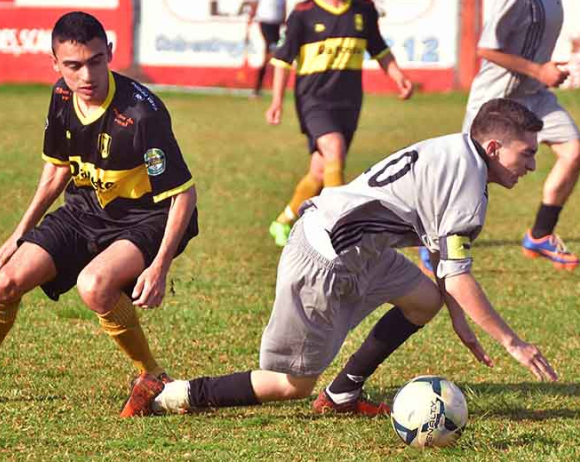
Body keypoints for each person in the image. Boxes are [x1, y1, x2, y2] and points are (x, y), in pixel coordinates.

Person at [122, 98, 557, 418]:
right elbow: (459, 277)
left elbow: (440, 254)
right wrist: (513, 343)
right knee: (290, 384)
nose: (533, 165)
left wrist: (458, 319)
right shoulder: (468, 184)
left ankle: (343, 394)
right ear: (494, 147)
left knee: (424, 300)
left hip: (359, 248)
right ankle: (168, 394)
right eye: (528, 153)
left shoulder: (456, 150)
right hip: (326, 258)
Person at [0, 11, 199, 417]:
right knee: (6, 280)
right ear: (55, 64)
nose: (87, 75)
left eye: (96, 61)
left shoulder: (142, 114)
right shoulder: (62, 97)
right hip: (86, 209)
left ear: (110, 53)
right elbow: (56, 171)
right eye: (73, 65)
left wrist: (160, 266)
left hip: (146, 217)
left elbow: (183, 195)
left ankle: (154, 377)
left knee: (94, 285)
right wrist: (20, 234)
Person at [266, 0, 413, 247]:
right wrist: (277, 100)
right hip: (314, 100)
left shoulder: (363, 9)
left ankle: (282, 221)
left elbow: (379, 49)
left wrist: (398, 76)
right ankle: (339, 228)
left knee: (320, 169)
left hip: (349, 102)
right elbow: (282, 60)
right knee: (334, 150)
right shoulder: (303, 13)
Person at [462, 0, 580, 272]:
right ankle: (436, 243)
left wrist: (546, 71)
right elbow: (487, 48)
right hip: (498, 97)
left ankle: (540, 234)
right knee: (472, 175)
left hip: (535, 94)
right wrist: (538, 69)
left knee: (575, 152)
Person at [246, 0, 287, 98]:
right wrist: (250, 18)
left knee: (271, 55)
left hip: (276, 23)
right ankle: (259, 87)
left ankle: (260, 88)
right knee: (272, 51)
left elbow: (283, 3)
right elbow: (254, 1)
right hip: (265, 21)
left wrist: (284, 19)